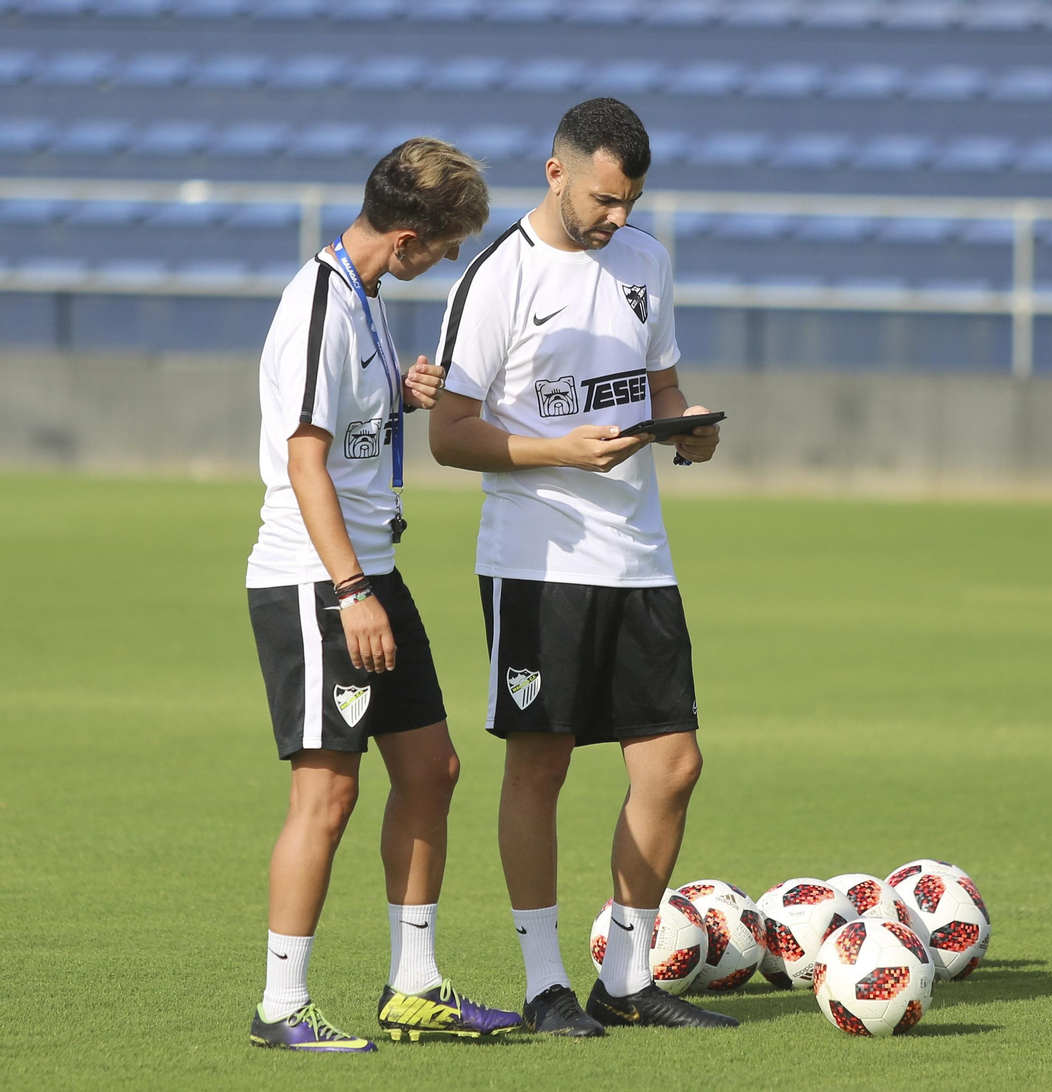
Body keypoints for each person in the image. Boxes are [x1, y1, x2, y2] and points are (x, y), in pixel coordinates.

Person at [429, 98, 731, 1033]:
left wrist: (689, 432)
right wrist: (559, 451)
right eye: (604, 198)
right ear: (556, 172)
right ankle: (544, 984)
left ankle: (627, 981)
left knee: (673, 764)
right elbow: (449, 434)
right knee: (541, 764)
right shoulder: (499, 276)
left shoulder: (646, 261)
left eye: (631, 200)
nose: (618, 217)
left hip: (638, 553)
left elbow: (662, 385)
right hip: (538, 557)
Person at [244, 138, 521, 1051]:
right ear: (406, 239)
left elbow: (345, 419)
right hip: (320, 578)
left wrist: (398, 394)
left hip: (370, 572)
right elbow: (304, 461)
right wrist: (352, 589)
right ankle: (281, 1005)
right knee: (327, 793)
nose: (446, 260)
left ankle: (414, 986)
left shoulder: (364, 296)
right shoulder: (319, 305)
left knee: (431, 769)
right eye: (444, 247)